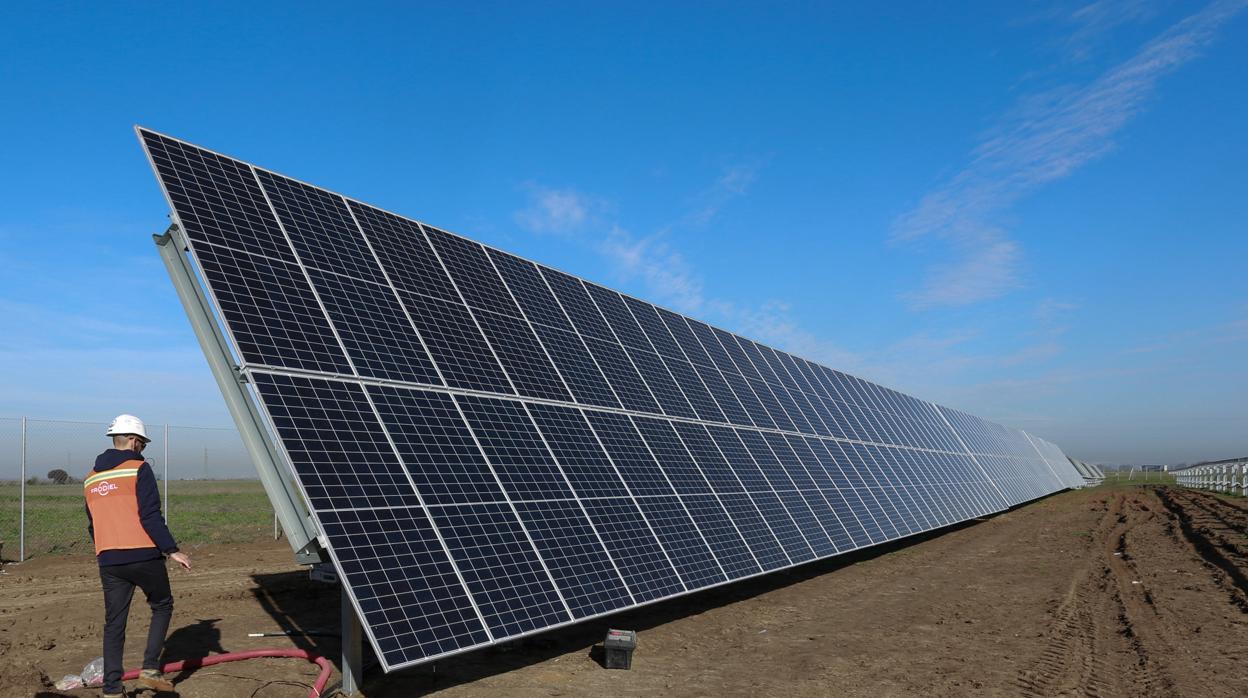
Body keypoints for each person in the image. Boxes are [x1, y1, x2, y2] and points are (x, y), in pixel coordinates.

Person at [84, 414, 192, 697]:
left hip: (108, 560)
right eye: (142, 443)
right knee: (162, 605)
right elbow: (150, 515)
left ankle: (111, 689)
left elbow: (92, 524)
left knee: (114, 623)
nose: (143, 449)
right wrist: (172, 550)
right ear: (133, 441)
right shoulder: (138, 469)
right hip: (143, 555)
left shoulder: (91, 479)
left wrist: (106, 548)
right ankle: (149, 670)